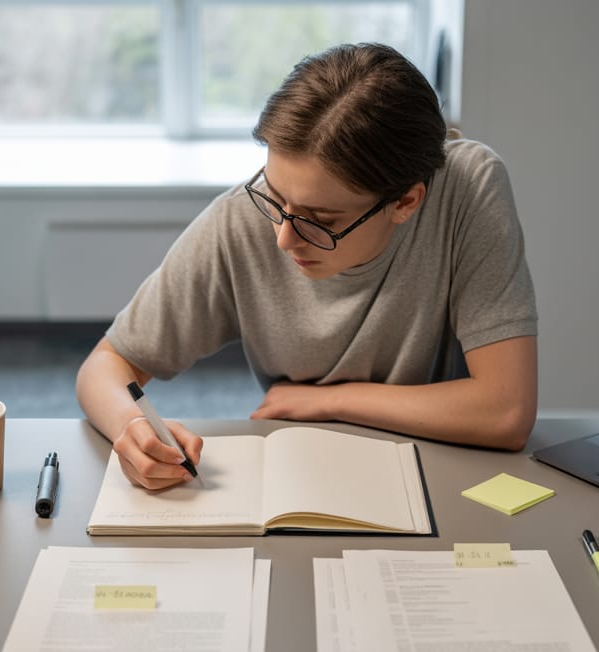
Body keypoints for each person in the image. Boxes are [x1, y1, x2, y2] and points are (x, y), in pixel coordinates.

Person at [77, 42, 538, 490]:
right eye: (275, 197)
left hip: (443, 472)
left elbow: (506, 412)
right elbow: (106, 365)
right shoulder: (241, 218)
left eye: (321, 220)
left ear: (405, 203)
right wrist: (130, 426)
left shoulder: (467, 190)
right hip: (301, 468)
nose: (284, 238)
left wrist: (331, 400)